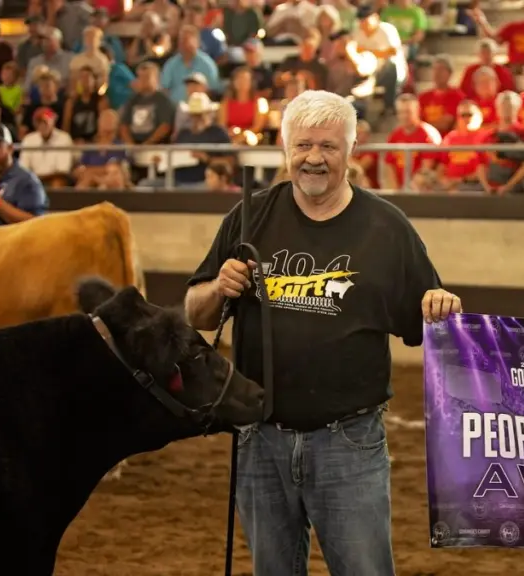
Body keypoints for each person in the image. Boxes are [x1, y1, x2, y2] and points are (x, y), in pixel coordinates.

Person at [183, 90, 461, 576]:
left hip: (348, 442)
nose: (314, 158)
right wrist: (217, 288)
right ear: (286, 149)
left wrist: (442, 308)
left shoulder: (387, 228)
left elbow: (429, 318)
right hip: (259, 439)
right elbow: (196, 314)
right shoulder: (250, 216)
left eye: (329, 147)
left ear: (351, 152)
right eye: (303, 146)